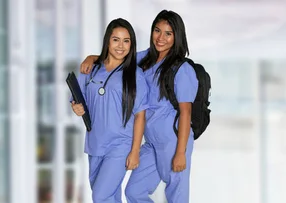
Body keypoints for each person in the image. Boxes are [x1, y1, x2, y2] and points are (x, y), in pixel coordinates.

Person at [79, 10, 198, 203]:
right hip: (150, 142)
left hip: (172, 140)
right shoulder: (146, 59)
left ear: (177, 36)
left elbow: (186, 113)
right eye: (157, 30)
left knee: (177, 195)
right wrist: (92, 58)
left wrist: (180, 153)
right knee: (134, 192)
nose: (161, 38)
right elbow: (117, 55)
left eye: (168, 33)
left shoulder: (182, 70)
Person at [70, 18, 149, 203]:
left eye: (126, 41)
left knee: (100, 195)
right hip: (95, 143)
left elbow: (140, 115)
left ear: (132, 44)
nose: (120, 46)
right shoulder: (90, 68)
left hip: (120, 145)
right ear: (107, 41)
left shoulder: (135, 75)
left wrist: (135, 150)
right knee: (110, 197)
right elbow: (77, 98)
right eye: (116, 40)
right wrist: (76, 107)